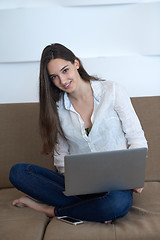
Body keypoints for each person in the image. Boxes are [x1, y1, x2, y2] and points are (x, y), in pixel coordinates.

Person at [9, 43, 148, 223]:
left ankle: (52, 210)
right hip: (80, 186)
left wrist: (133, 176)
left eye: (65, 70)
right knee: (18, 172)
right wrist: (74, 181)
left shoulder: (112, 91)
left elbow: (136, 138)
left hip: (115, 186)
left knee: (116, 204)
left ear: (76, 63)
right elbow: (61, 157)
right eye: (54, 77)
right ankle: (92, 209)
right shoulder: (57, 109)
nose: (62, 80)